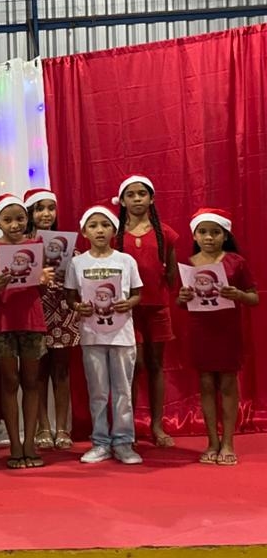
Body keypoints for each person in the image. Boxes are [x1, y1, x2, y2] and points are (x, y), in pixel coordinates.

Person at [0, 195, 54, 469]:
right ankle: (14, 444)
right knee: (9, 382)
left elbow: (40, 290)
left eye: (20, 219)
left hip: (31, 320)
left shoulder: (37, 246)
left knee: (31, 382)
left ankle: (30, 443)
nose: (14, 225)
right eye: (7, 220)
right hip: (2, 323)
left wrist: (44, 280)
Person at [177, 208, 258, 466]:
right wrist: (182, 298)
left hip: (227, 332)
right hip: (200, 331)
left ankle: (228, 442)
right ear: (195, 235)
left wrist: (239, 295)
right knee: (206, 384)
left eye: (215, 232)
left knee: (228, 384)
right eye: (203, 232)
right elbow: (182, 303)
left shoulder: (236, 262)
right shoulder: (189, 264)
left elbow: (254, 297)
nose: (209, 237)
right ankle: (212, 441)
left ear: (225, 235)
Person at [65, 206, 143, 465]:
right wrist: (78, 307)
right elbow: (71, 296)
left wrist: (128, 303)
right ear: (84, 232)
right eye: (93, 225)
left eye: (105, 225)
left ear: (114, 230)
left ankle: (123, 442)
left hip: (122, 335)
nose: (100, 230)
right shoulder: (77, 263)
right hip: (91, 335)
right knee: (97, 391)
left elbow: (137, 293)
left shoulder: (126, 261)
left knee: (123, 391)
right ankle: (100, 442)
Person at [113, 175, 179, 448]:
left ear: (151, 198)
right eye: (131, 194)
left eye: (142, 193)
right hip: (128, 310)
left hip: (157, 308)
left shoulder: (166, 233)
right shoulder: (115, 234)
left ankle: (157, 425)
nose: (137, 198)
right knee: (133, 366)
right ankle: (127, 427)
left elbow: (173, 274)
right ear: (122, 201)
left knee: (155, 365)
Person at [24, 188, 79, 451]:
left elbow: (78, 279)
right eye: (39, 209)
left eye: (50, 208)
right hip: (34, 309)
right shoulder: (22, 245)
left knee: (61, 369)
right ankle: (42, 426)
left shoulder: (68, 243)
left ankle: (62, 427)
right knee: (37, 371)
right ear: (29, 213)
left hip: (63, 310)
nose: (46, 214)